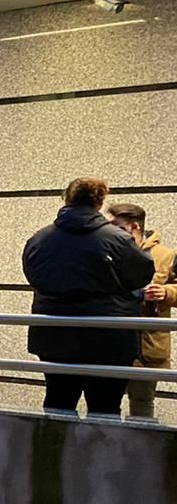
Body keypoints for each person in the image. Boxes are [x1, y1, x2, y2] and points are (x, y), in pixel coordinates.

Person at [22, 179, 153, 416]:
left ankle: (50, 451)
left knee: (58, 401)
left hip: (54, 334)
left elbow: (33, 275)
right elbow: (141, 274)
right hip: (108, 337)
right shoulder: (117, 239)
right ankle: (97, 453)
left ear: (67, 199)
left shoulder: (40, 239)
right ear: (100, 202)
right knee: (105, 407)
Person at [108, 203, 177, 419]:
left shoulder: (166, 255)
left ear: (134, 226)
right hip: (111, 341)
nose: (109, 232)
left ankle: (141, 450)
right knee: (107, 403)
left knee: (142, 404)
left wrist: (166, 293)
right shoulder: (108, 251)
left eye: (116, 227)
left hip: (147, 346)